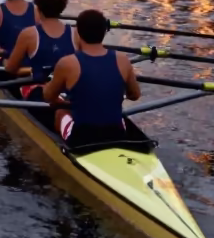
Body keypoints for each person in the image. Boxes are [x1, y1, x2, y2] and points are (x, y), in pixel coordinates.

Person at [43, 8, 141, 144]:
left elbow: (48, 97)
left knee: (60, 112)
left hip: (83, 137)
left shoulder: (67, 63)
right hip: (116, 133)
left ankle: (60, 148)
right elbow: (134, 95)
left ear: (78, 32)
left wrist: (65, 102)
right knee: (119, 116)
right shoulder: (123, 59)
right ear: (104, 31)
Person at [5, 0, 75, 86]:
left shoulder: (28, 34)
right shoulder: (75, 34)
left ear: (38, 8)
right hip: (66, 90)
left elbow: (10, 69)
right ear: (62, 8)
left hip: (38, 90)